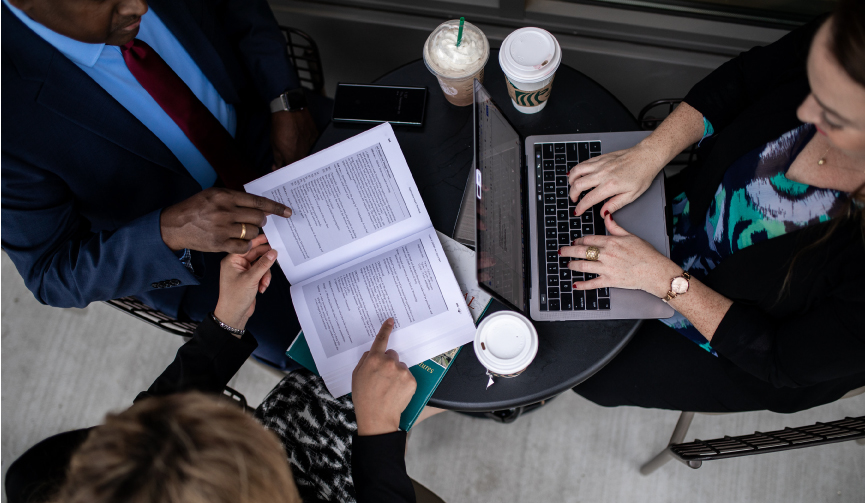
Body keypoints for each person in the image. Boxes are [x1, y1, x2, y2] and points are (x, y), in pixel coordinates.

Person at [563, 0, 864, 413]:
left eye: (831, 111)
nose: (806, 112)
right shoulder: (855, 39)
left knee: (589, 371)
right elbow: (743, 81)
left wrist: (662, 278)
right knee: (558, 261)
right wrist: (649, 154)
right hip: (684, 221)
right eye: (813, 84)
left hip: (737, 346)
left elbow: (778, 357)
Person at [1, 0, 326, 368]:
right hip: (197, 256)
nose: (139, 5)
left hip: (268, 126)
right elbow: (51, 274)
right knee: (344, 359)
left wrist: (286, 102)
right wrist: (168, 232)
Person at [5, 235, 422, 503]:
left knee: (354, 364)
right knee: (424, 374)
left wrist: (226, 319)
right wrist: (379, 429)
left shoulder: (42, 480)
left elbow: (158, 419)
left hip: (288, 459)